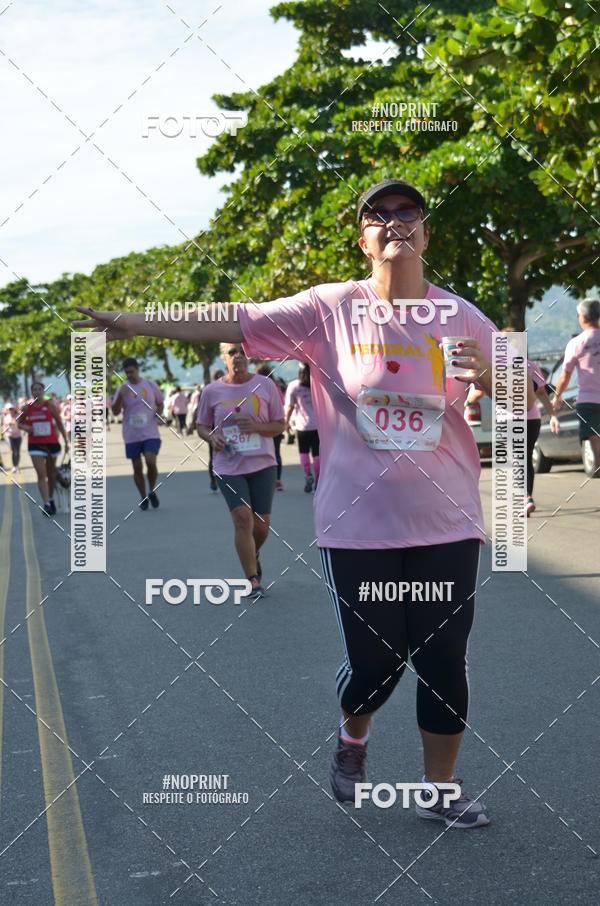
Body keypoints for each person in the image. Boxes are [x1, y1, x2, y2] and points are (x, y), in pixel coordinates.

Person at [74, 177, 535, 828]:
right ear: (363, 239)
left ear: (426, 233)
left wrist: (488, 374)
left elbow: (530, 400)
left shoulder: (461, 316)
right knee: (378, 666)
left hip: (447, 520)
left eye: (409, 213)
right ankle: (354, 738)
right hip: (357, 527)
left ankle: (441, 788)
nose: (396, 221)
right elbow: (228, 319)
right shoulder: (330, 310)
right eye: (380, 215)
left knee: (441, 656)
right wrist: (127, 321)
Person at [196, 345, 285, 597]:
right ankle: (252, 578)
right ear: (224, 358)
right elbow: (201, 427)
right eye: (232, 352)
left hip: (263, 464)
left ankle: (252, 552)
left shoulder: (266, 386)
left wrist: (258, 427)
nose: (238, 356)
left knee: (262, 525)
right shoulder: (212, 391)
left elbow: (280, 425)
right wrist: (212, 438)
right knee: (243, 519)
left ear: (250, 356)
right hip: (228, 465)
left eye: (242, 351)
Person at [468, 329, 560, 515]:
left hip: (508, 420)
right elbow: (542, 393)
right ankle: (526, 496)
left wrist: (468, 401)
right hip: (532, 419)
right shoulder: (531, 366)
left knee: (517, 458)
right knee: (524, 457)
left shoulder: (496, 366)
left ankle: (526, 498)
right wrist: (552, 416)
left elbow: (481, 392)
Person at [552, 297, 600, 476]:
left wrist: (557, 395)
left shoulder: (576, 343)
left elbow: (565, 375)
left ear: (583, 318)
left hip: (589, 399)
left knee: (595, 437)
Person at [111, 358, 164, 509]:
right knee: (137, 467)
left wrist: (159, 416)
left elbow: (160, 403)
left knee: (150, 461)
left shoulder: (150, 385)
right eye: (127, 373)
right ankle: (143, 496)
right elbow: (115, 413)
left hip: (150, 433)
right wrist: (121, 396)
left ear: (137, 369)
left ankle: (152, 490)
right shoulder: (123, 388)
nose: (129, 375)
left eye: (132, 372)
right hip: (131, 434)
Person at [17, 380, 69, 515]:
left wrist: (66, 441)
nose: (37, 392)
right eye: (34, 389)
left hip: (51, 443)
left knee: (51, 475)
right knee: (41, 474)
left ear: (43, 391)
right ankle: (46, 503)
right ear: (31, 392)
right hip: (35, 444)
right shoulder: (27, 408)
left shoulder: (50, 405)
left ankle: (51, 499)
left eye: (39, 389)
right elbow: (19, 423)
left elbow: (59, 423)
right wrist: (26, 428)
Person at [285, 363, 319, 492]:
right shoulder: (317, 384)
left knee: (303, 452)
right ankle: (318, 478)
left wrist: (286, 423)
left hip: (301, 426)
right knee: (317, 454)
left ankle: (308, 474)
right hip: (317, 426)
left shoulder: (293, 386)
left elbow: (289, 407)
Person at [256, 363, 286, 490]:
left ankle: (262, 479)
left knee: (262, 452)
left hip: (262, 426)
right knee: (276, 453)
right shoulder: (276, 387)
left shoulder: (256, 388)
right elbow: (282, 403)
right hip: (275, 424)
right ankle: (277, 480)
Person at [3, 405, 23, 472]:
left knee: (17, 452)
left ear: (14, 409)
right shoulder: (6, 417)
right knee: (13, 451)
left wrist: (16, 423)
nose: (11, 410)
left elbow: (20, 425)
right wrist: (9, 424)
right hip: (9, 435)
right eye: (9, 409)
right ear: (8, 410)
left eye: (12, 409)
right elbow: (4, 426)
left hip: (18, 435)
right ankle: (14, 466)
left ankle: (17, 466)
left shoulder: (18, 416)